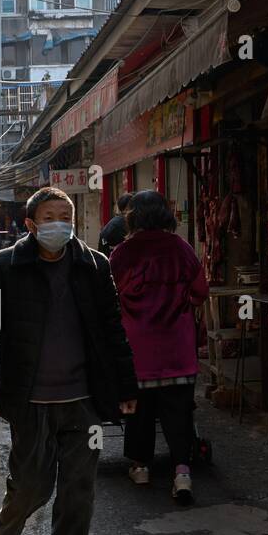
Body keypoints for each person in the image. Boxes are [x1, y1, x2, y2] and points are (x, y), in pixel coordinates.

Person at [0, 186, 138, 535]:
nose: (59, 223)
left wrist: (125, 387)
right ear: (30, 224)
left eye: (66, 215)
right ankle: (7, 532)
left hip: (83, 401)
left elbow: (114, 329)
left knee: (79, 489)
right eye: (49, 216)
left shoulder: (95, 266)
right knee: (33, 487)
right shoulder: (1, 266)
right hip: (29, 400)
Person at [109, 189, 208, 502]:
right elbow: (201, 291)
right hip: (177, 349)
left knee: (138, 411)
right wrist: (181, 304)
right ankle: (181, 474)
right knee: (178, 413)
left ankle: (141, 467)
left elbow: (110, 298)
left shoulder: (122, 254)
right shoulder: (181, 248)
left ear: (132, 216)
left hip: (137, 350)